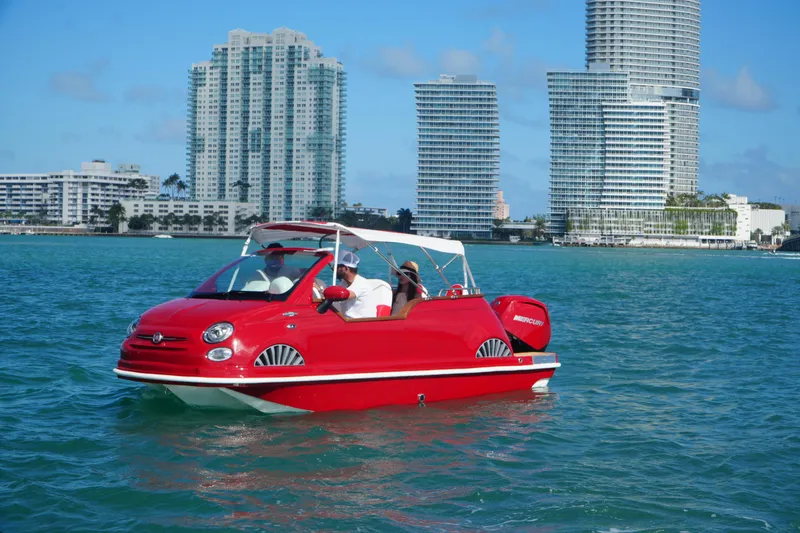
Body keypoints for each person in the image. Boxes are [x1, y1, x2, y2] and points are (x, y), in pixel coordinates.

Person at [331, 251, 378, 319]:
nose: (333, 270)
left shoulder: (361, 283)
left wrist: (322, 290)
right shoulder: (344, 283)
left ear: (346, 268)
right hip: (347, 321)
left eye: (336, 267)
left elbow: (345, 295)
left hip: (362, 324)